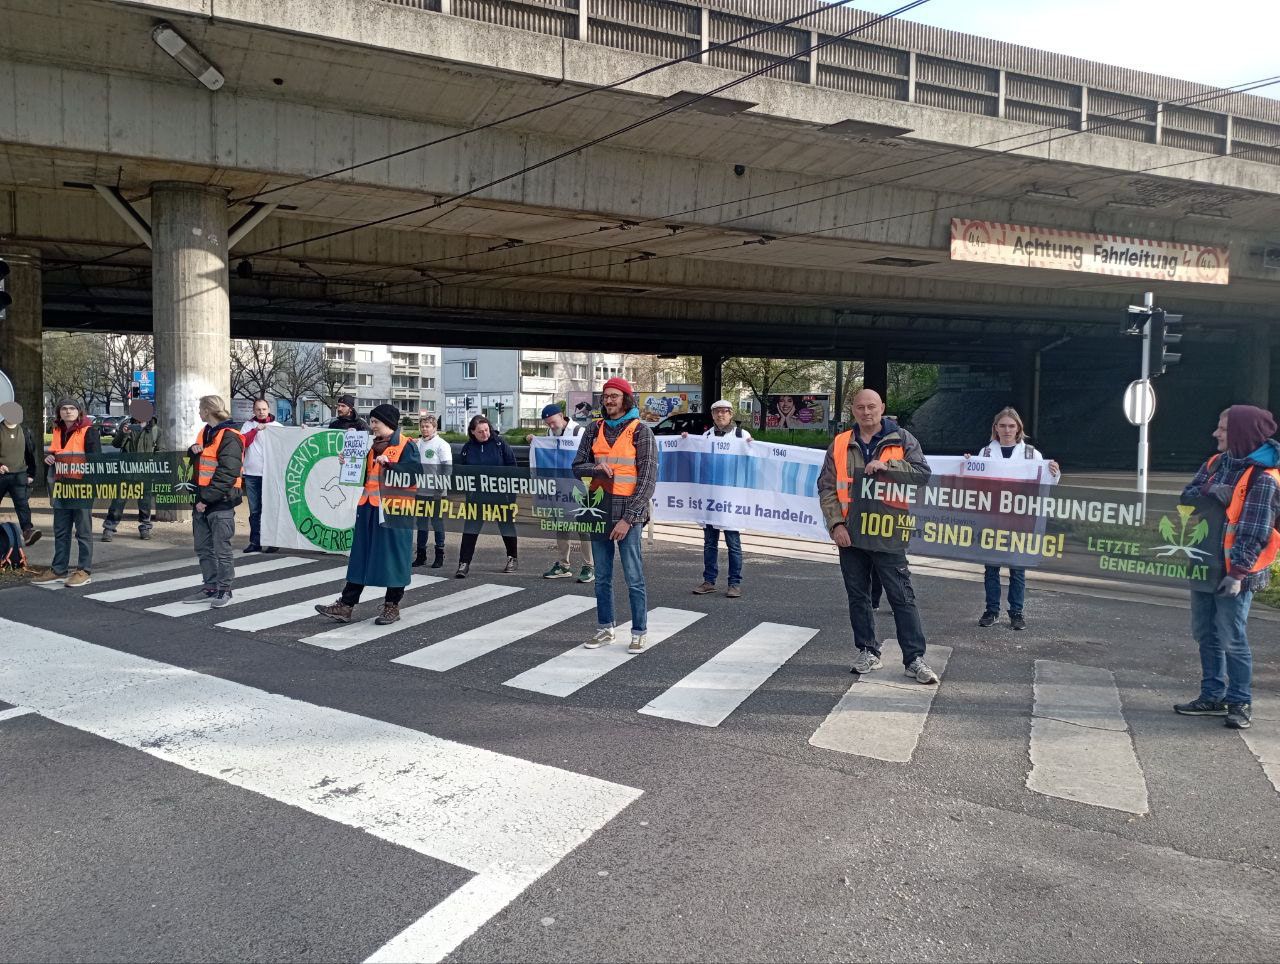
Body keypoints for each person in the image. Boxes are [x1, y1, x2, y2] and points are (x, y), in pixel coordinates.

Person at [817, 388, 938, 684]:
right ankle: (867, 651)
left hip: (889, 530)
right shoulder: (841, 443)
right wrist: (836, 525)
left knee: (902, 597)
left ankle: (914, 659)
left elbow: (923, 474)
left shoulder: (902, 439)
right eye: (860, 407)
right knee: (858, 597)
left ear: (882, 407)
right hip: (852, 533)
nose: (866, 412)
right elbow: (827, 487)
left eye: (872, 406)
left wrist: (888, 466)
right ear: (853, 410)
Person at [1174, 405, 1279, 731]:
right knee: (1205, 633)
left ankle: (1239, 702)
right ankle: (1212, 695)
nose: (1215, 433)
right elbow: (1186, 496)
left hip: (1235, 573)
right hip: (1204, 564)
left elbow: (1254, 530)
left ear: (1241, 433)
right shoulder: (1216, 464)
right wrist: (1209, 490)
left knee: (1232, 637)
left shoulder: (1263, 477)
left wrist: (1238, 574)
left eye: (1222, 428)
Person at [572, 377, 657, 654]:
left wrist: (628, 518)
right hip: (598, 509)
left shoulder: (641, 431)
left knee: (634, 576)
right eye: (606, 396)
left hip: (627, 514)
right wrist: (596, 469)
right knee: (602, 576)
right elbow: (577, 466)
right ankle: (605, 628)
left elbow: (646, 481)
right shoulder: (593, 428)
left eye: (615, 396)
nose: (609, 400)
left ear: (626, 399)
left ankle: (639, 631)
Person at [316, 404, 421, 625]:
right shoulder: (372, 447)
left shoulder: (406, 445)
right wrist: (349, 463)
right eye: (372, 422)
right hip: (369, 507)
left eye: (376, 422)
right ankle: (346, 604)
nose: (372, 426)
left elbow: (415, 475)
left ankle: (392, 605)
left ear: (388, 423)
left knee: (394, 558)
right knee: (361, 556)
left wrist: (392, 466)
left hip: (395, 511)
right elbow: (366, 478)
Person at [968, 407, 1061, 630]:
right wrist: (967, 463)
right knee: (991, 568)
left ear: (1018, 428)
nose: (1007, 430)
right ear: (996, 428)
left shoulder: (1031, 454)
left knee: (1017, 568)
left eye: (1011, 426)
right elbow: (973, 480)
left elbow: (1046, 482)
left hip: (1020, 518)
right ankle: (991, 610)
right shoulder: (986, 453)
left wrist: (1054, 472)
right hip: (992, 518)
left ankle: (1016, 612)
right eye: (1003, 426)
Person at [179, 396, 244, 608]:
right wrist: (193, 451)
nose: (198, 412)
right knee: (203, 548)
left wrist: (205, 500)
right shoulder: (206, 432)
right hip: (202, 500)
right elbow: (200, 463)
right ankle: (210, 586)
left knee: (221, 549)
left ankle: (224, 590)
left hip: (219, 502)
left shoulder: (230, 436)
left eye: (200, 408)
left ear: (208, 410)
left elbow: (227, 473)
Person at [33, 398, 100, 587]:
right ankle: (58, 569)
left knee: (83, 531)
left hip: (81, 487)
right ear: (59, 412)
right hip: (61, 486)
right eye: (64, 408)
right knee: (61, 530)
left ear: (79, 411)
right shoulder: (57, 430)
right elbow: (57, 452)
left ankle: (84, 570)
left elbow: (96, 461)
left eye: (72, 408)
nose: (68, 411)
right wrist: (50, 458)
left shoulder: (89, 431)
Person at [689, 399, 750, 598]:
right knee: (709, 543)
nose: (720, 415)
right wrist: (685, 441)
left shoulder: (742, 435)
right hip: (711, 498)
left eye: (724, 412)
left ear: (731, 414)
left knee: (733, 543)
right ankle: (709, 581)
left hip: (731, 498)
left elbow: (751, 463)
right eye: (716, 412)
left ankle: (734, 583)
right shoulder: (706, 436)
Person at [528, 402, 594, 583]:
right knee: (561, 524)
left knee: (583, 526)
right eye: (547, 423)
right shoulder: (550, 434)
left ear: (562, 416)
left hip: (578, 485)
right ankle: (564, 564)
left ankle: (589, 565)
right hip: (559, 486)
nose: (551, 426)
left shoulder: (578, 432)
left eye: (553, 422)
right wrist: (535, 440)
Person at [455, 414, 518, 578]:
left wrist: (511, 494)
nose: (485, 434)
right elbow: (461, 472)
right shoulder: (468, 448)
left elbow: (512, 466)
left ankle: (512, 557)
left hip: (499, 495)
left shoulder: (499, 444)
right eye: (480, 431)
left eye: (486, 430)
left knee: (506, 527)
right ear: (472, 432)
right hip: (477, 497)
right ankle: (464, 563)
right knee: (470, 530)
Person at [102, 404, 160, 542]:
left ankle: (145, 527)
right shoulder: (127, 426)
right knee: (118, 501)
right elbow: (116, 444)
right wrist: (123, 433)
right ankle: (109, 528)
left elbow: (161, 451)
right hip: (126, 471)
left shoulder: (156, 430)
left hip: (145, 472)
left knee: (145, 502)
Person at [240, 398, 281, 554]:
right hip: (252, 474)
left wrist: (302, 429)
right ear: (254, 410)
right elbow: (243, 442)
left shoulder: (277, 427)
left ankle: (272, 541)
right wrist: (256, 430)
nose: (261, 412)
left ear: (269, 409)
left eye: (264, 409)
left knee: (270, 509)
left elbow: (289, 441)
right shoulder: (248, 426)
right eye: (258, 409)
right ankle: (255, 542)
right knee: (255, 511)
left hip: (271, 475)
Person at [412, 412, 452, 569]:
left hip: (436, 492)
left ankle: (439, 554)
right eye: (422, 426)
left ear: (434, 427)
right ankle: (421, 555)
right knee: (421, 523)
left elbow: (447, 469)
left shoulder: (442, 445)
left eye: (427, 426)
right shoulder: (417, 444)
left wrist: (440, 489)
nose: (424, 429)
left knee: (437, 523)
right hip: (420, 491)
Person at [0, 402, 41, 546]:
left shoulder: (25, 431)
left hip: (20, 474)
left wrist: (31, 474)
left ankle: (27, 531)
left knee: (22, 504)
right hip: (1, 475)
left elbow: (31, 453)